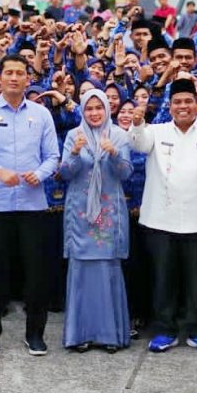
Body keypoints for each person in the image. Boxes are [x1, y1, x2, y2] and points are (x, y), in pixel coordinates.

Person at [129, 77, 197, 354]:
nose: (183, 106)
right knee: (163, 278)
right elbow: (138, 144)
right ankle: (164, 330)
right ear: (170, 105)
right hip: (160, 219)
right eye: (177, 102)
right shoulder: (157, 130)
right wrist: (138, 121)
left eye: (188, 101)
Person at [0, 55, 60, 358]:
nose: (15, 78)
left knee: (36, 274)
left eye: (21, 73)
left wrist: (41, 174)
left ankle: (35, 334)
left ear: (28, 79)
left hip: (33, 205)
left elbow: (53, 156)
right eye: (9, 72)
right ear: (0, 77)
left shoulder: (41, 114)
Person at [58, 88, 133, 352]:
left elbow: (125, 173)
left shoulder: (119, 135)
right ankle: (80, 335)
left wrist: (114, 153)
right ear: (82, 111)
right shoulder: (73, 136)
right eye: (88, 109)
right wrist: (76, 153)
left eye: (98, 108)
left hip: (109, 212)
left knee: (106, 268)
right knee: (82, 271)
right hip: (80, 215)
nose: (94, 113)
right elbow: (65, 173)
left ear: (107, 109)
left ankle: (109, 335)